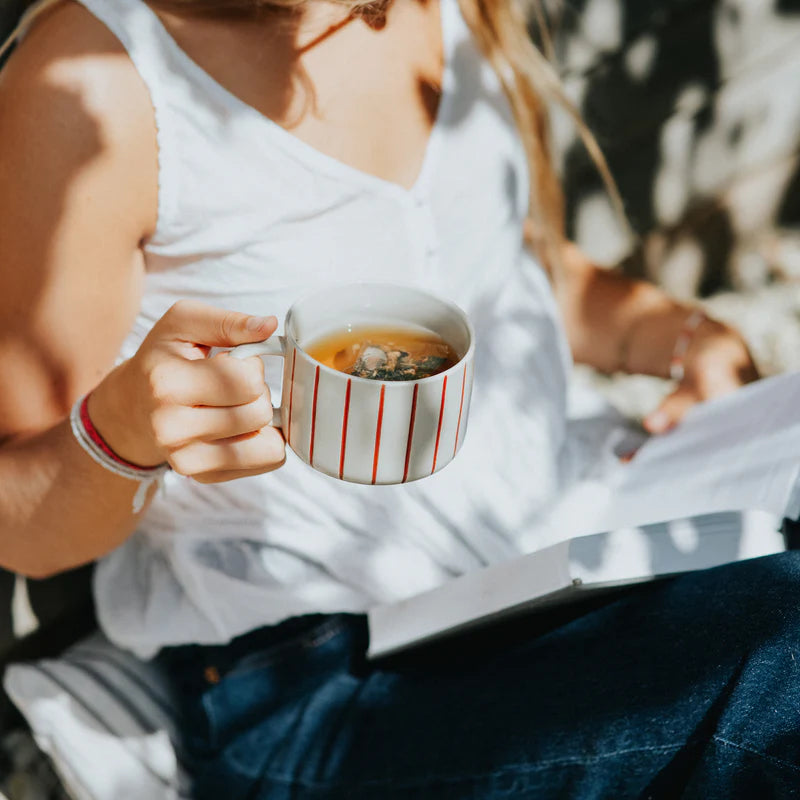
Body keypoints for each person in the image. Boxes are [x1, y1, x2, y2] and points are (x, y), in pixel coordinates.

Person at [0, 0, 795, 797]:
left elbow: (488, 253)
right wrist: (123, 432)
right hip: (322, 681)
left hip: (570, 543)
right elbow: (16, 514)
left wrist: (682, 337)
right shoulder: (96, 83)